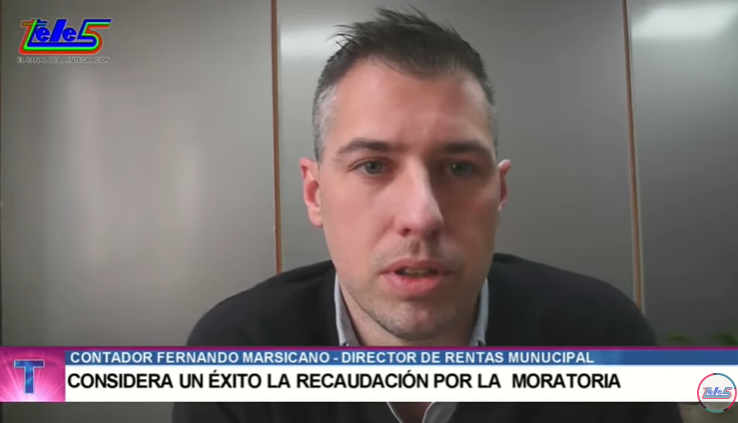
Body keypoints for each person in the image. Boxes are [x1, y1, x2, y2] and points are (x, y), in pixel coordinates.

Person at [172, 8, 683, 423]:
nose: (421, 216)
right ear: (315, 193)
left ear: (499, 191)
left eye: (458, 168)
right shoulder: (235, 354)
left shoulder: (602, 337)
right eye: (373, 166)